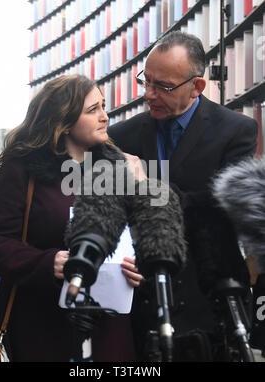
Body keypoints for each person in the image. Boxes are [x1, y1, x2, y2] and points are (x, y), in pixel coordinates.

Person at [108, 31, 258, 361]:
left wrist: (147, 186)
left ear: (197, 87)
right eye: (145, 82)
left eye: (162, 86)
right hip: (141, 301)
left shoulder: (236, 130)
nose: (149, 94)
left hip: (210, 303)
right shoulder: (121, 136)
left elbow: (223, 208)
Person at [0, 74, 144, 362]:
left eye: (104, 106)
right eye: (93, 110)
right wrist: (46, 263)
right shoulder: (23, 168)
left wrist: (139, 264)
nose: (105, 117)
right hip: (41, 329)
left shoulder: (123, 167)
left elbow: (141, 236)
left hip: (108, 331)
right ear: (63, 122)